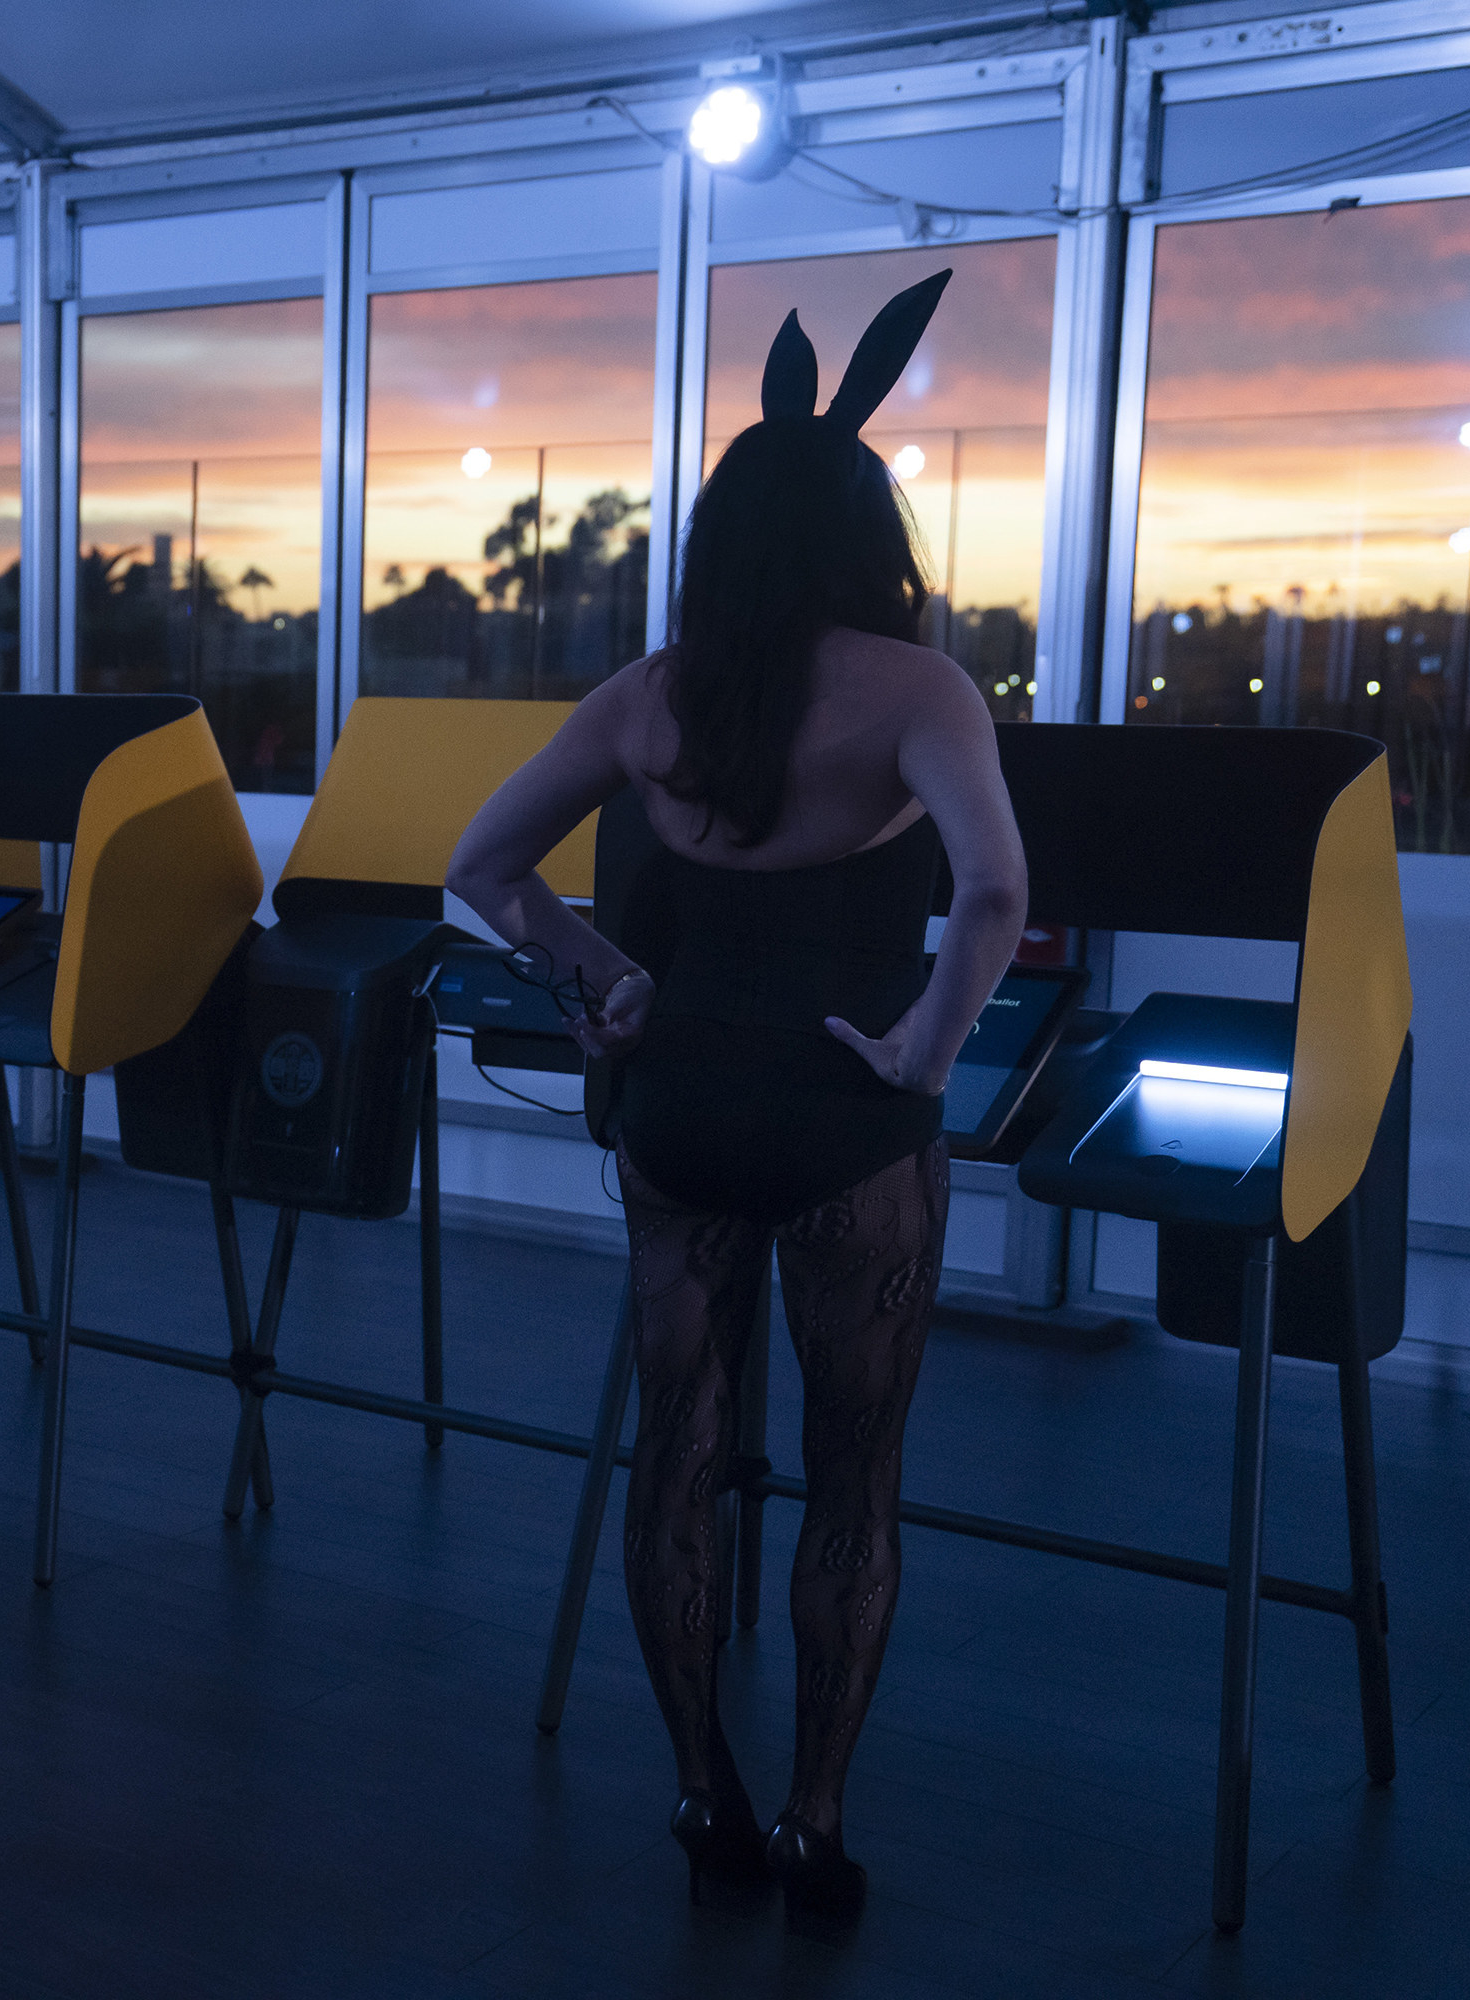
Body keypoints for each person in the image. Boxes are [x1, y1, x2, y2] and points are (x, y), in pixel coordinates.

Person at [446, 270, 1027, 1920]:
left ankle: (701, 1792)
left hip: (681, 1110)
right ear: (871, 530)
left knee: (674, 1457)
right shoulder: (920, 694)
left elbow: (484, 865)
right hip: (853, 1129)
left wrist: (598, 977)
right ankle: (811, 1823)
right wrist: (924, 1048)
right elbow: (992, 893)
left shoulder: (654, 694)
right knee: (855, 1483)